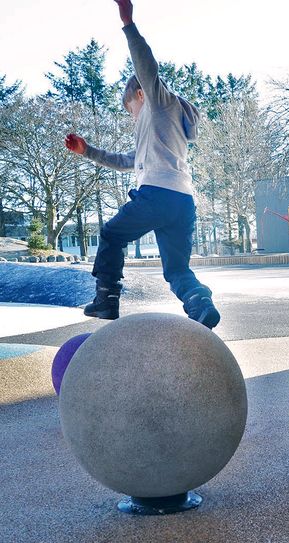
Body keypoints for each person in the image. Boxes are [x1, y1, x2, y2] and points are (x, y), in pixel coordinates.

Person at [64, 0, 220, 329]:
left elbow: (146, 66)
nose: (132, 118)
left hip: (157, 196)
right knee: (176, 269)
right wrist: (88, 150)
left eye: (129, 110)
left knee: (110, 235)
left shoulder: (159, 102)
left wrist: (127, 23)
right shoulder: (165, 128)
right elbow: (126, 161)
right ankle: (200, 303)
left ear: (139, 96)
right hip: (182, 201)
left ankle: (106, 299)